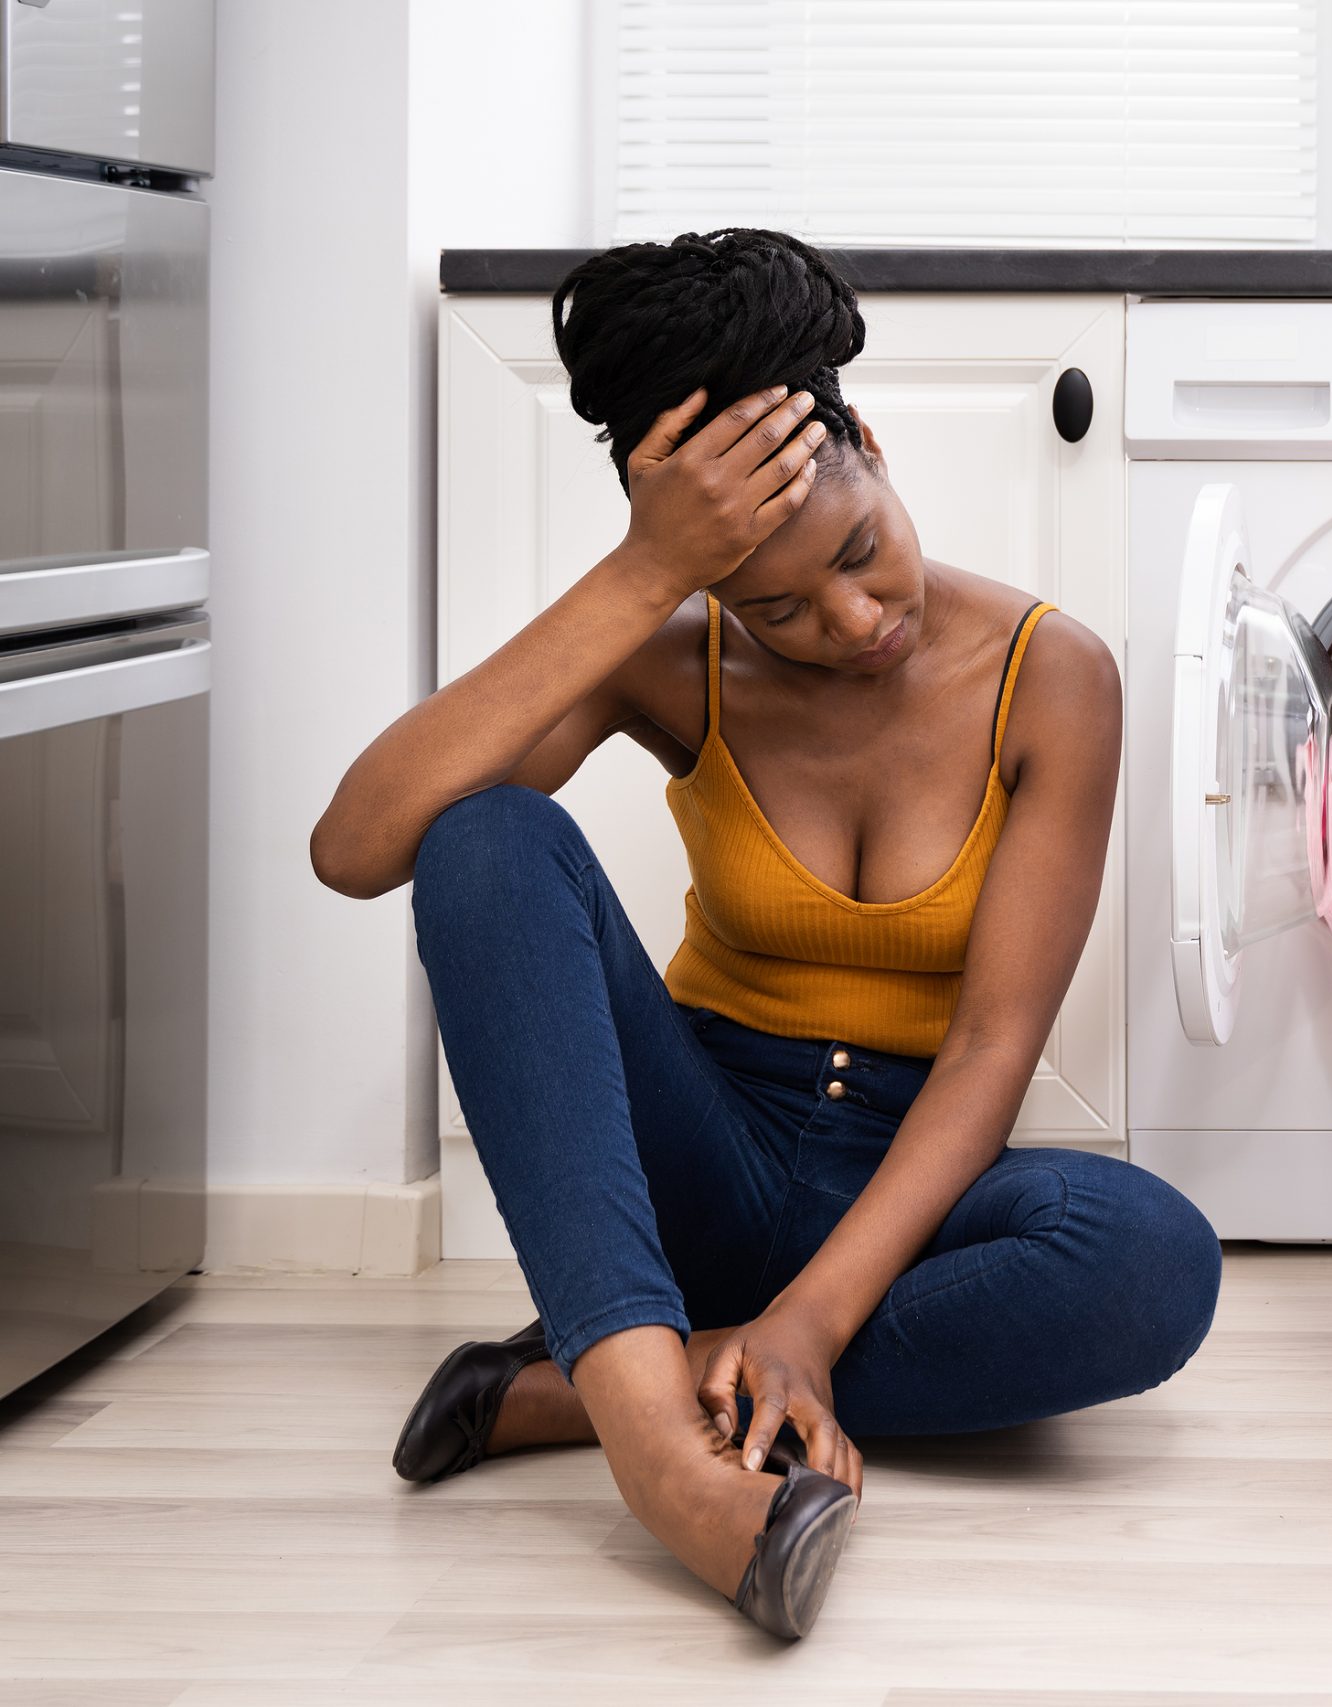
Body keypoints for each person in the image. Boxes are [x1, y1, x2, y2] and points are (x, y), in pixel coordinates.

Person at [311, 228, 1222, 1640]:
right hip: (704, 1153)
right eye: (775, 605)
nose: (853, 621)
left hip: (907, 1190)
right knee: (485, 835)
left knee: (1152, 1259)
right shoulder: (678, 655)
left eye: (860, 553)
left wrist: (806, 1325)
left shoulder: (1053, 679)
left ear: (868, 439)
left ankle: (573, 1389)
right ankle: (669, 1462)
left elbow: (991, 1052)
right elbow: (357, 846)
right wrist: (642, 579)